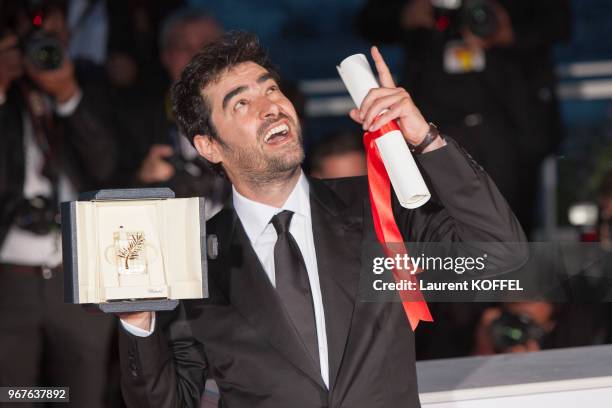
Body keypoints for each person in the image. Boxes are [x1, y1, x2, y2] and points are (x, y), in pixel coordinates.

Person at [117, 32, 526, 407]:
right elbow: (170, 401)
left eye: (272, 89)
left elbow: (501, 256)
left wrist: (426, 139)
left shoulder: (377, 205)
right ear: (208, 146)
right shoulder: (193, 256)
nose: (270, 107)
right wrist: (137, 322)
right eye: (241, 103)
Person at [358, 0, 571, 237]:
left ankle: (516, 272)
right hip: (433, 118)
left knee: (514, 226)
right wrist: (406, 13)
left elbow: (559, 22)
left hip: (509, 120)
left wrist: (506, 32)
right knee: (438, 226)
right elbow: (368, 21)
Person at [0, 2, 119, 406]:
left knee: (80, 394)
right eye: (31, 38)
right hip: (12, 276)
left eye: (53, 33)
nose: (44, 46)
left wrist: (66, 93)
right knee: (15, 395)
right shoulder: (8, 93)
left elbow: (107, 164)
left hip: (79, 274)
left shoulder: (91, 81)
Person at [112, 7, 230, 209]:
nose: (196, 54)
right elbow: (106, 195)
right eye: (183, 46)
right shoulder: (134, 122)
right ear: (166, 56)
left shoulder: (252, 115)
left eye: (207, 45)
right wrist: (141, 181)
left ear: (227, 55)